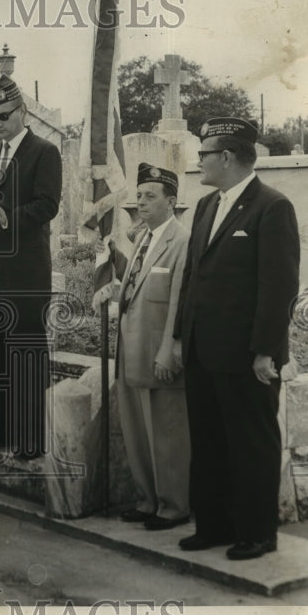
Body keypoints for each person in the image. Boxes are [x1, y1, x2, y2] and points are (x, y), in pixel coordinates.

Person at [172, 117, 300, 561]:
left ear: (227, 157)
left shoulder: (272, 206)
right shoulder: (207, 206)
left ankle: (257, 533)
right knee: (208, 442)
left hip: (246, 356)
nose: (199, 162)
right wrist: (177, 338)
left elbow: (279, 286)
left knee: (250, 443)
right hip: (203, 350)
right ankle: (214, 525)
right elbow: (193, 277)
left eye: (204, 154)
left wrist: (266, 350)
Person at [0, 75, 62, 459]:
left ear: (22, 111)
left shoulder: (44, 151)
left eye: (4, 115)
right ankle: (3, 430)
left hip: (27, 272)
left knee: (28, 353)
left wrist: (5, 218)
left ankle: (32, 436)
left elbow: (47, 205)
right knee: (0, 354)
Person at [93, 163, 190, 531]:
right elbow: (136, 289)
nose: (142, 203)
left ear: (171, 201)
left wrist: (171, 350)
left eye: (151, 196)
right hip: (131, 353)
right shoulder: (144, 238)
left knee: (166, 435)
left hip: (158, 354)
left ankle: (173, 505)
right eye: (140, 196)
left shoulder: (180, 241)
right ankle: (148, 500)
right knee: (137, 434)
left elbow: (180, 302)